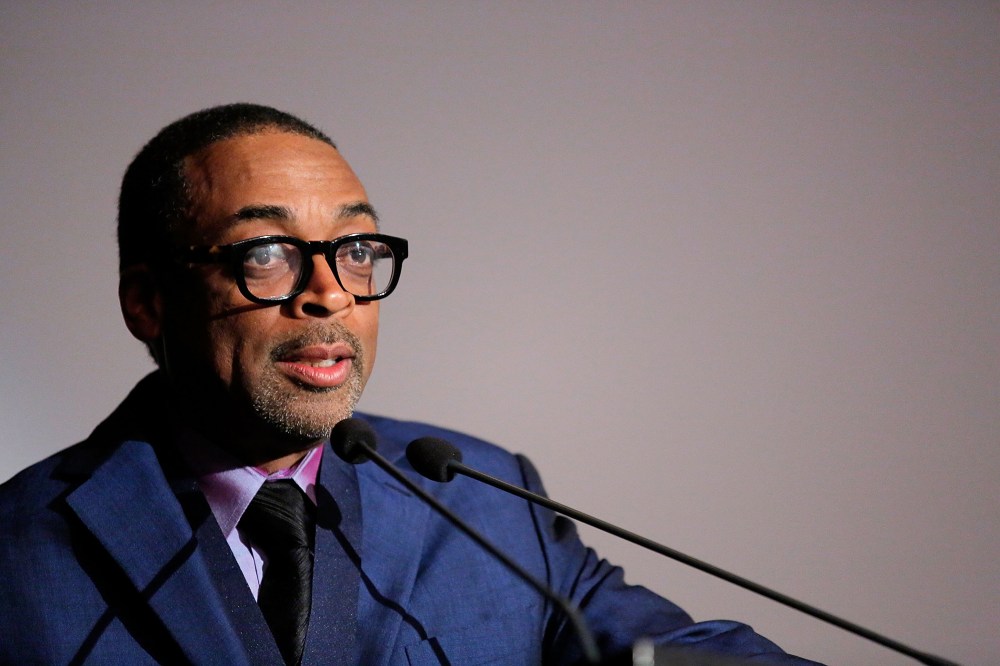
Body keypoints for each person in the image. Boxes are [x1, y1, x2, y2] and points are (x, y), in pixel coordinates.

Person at [0, 103, 820, 665]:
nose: (330, 292)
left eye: (355, 249)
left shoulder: (481, 497)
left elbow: (663, 652)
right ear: (148, 302)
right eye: (266, 254)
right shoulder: (20, 550)